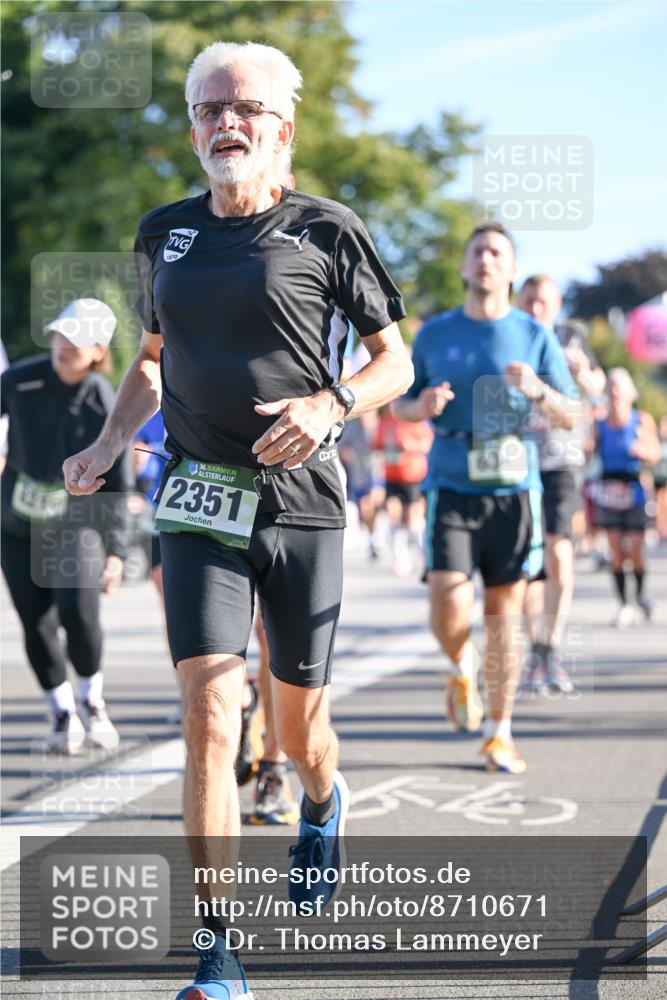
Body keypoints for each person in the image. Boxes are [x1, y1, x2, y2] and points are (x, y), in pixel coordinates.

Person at [62, 41, 412, 1000]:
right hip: (198, 500)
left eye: (246, 108)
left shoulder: (327, 230)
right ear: (192, 132)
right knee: (211, 713)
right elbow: (150, 359)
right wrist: (107, 442)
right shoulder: (163, 234)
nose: (227, 122)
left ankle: (321, 800)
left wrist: (331, 404)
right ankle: (219, 950)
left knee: (297, 732)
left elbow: (395, 362)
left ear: (281, 129)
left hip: (302, 504)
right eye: (209, 108)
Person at [396, 223, 578, 775]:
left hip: (514, 489)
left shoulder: (534, 333)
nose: (486, 260)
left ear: (512, 269)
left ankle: (500, 732)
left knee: (504, 615)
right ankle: (460, 664)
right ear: (464, 266)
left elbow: (571, 414)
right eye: (477, 251)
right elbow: (400, 404)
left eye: (497, 252)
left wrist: (538, 391)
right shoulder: (435, 333)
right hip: (451, 482)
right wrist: (422, 406)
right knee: (446, 599)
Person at [1, 299, 132, 753]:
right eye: (60, 335)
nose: (63, 346)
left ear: (98, 350)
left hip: (78, 524)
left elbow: (120, 481)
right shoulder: (20, 380)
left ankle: (91, 701)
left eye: (76, 340)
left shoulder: (104, 400)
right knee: (35, 621)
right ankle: (61, 712)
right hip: (16, 523)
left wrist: (117, 551)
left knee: (78, 612)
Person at [517, 275, 605, 692]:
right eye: (529, 301)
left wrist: (583, 373)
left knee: (558, 552)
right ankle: (535, 649)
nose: (536, 309)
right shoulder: (510, 335)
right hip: (517, 459)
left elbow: (597, 386)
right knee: (527, 562)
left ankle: (550, 647)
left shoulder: (572, 335)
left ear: (557, 304)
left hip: (562, 458)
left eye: (543, 302)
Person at [589, 368, 660, 627]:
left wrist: (644, 451)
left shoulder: (641, 420)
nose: (615, 392)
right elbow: (588, 453)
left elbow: (655, 453)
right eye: (611, 387)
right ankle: (624, 604)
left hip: (635, 491)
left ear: (630, 392)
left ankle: (640, 596)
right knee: (616, 552)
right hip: (609, 491)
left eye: (619, 387)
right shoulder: (599, 424)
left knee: (636, 552)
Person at [374, 402, 432, 576]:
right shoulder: (384, 422)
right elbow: (376, 445)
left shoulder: (415, 420)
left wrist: (410, 446)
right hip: (391, 475)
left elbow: (428, 444)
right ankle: (401, 559)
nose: (392, 407)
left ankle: (423, 549)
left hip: (412, 476)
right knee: (393, 515)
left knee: (412, 519)